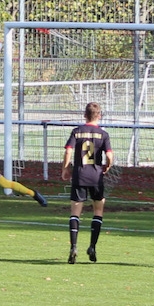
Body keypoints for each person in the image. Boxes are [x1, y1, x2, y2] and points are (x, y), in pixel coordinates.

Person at [61, 102, 113, 264]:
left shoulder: (77, 132)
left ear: (85, 115)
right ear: (99, 116)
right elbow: (109, 156)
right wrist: (107, 166)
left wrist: (65, 168)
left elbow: (68, 151)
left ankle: (73, 247)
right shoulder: (103, 134)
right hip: (96, 177)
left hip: (80, 175)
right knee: (98, 211)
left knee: (75, 212)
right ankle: (92, 246)